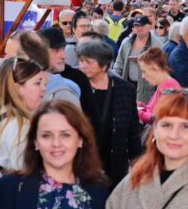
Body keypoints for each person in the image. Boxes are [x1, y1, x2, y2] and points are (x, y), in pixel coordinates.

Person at [77, 39, 145, 187]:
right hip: (82, 162)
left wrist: (138, 163)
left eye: (88, 62)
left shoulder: (124, 89)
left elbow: (133, 130)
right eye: (81, 61)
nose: (82, 66)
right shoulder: (75, 88)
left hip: (114, 163)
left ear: (105, 65)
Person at [0, 57, 49, 173]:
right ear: (18, 87)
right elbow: (25, 171)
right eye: (38, 83)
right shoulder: (20, 125)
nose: (44, 89)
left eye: (44, 84)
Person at [113, 14, 163, 103]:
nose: (139, 28)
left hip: (147, 89)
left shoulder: (157, 45)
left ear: (149, 27)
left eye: (142, 25)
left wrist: (143, 62)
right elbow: (119, 63)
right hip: (127, 85)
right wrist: (114, 81)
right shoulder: (126, 42)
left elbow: (162, 68)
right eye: (136, 25)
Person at [136, 47, 181, 125]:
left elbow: (160, 120)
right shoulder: (163, 84)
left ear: (155, 68)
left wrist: (138, 112)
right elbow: (152, 110)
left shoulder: (170, 87)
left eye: (144, 71)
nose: (143, 76)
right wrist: (139, 105)